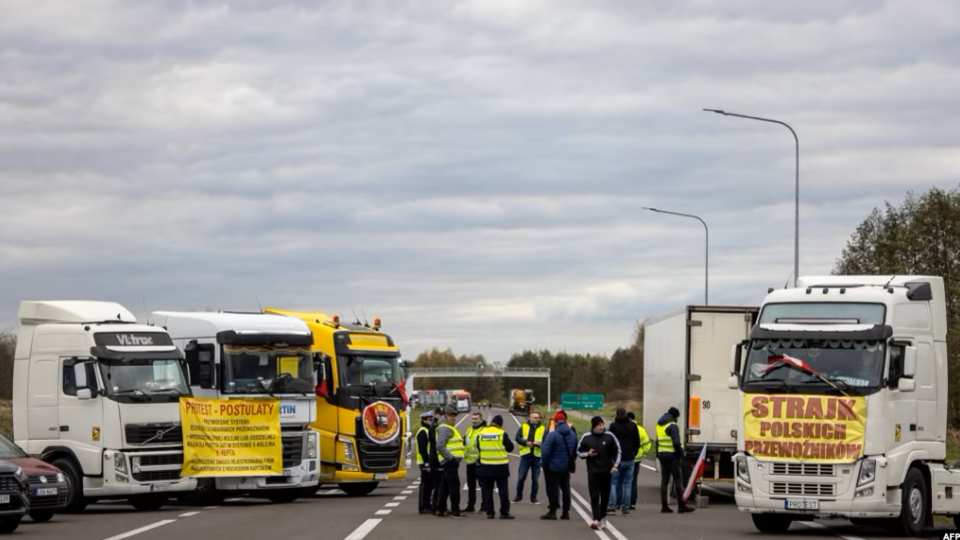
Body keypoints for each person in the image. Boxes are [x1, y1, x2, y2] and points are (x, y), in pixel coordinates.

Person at [578, 416, 620, 531]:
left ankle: (603, 517)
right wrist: (588, 454)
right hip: (592, 471)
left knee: (605, 496)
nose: (601, 427)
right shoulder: (586, 437)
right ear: (594, 426)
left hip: (606, 471)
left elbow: (618, 451)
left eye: (602, 425)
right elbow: (578, 451)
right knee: (594, 496)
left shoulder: (609, 436)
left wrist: (615, 465)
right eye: (599, 425)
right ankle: (596, 519)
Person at [539, 411, 577, 520]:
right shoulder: (572, 434)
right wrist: (571, 461)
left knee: (552, 489)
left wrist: (544, 465)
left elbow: (545, 452)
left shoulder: (553, 435)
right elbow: (574, 451)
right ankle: (566, 512)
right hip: (566, 467)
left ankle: (553, 511)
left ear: (555, 421)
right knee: (566, 489)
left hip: (553, 467)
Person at [477, 414, 515, 519]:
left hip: (485, 465)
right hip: (500, 466)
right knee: (502, 489)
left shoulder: (481, 433)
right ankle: (504, 512)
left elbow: (478, 447)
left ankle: (490, 512)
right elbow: (510, 448)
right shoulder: (502, 433)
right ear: (500, 424)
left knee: (487, 490)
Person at [657, 406, 694, 514]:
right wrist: (679, 455)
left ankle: (664, 506)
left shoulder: (659, 425)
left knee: (664, 481)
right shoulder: (672, 426)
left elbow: (658, 441)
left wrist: (658, 454)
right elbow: (676, 443)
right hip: (672, 456)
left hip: (662, 454)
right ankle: (681, 505)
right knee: (678, 480)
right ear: (675, 416)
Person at [608, 407, 641, 515]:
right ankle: (625, 507)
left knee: (613, 482)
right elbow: (637, 441)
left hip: (616, 458)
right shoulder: (632, 425)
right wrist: (633, 453)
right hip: (630, 457)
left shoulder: (613, 426)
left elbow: (610, 441)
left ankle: (612, 506)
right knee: (628, 483)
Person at [435, 406, 466, 517]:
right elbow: (440, 445)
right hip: (449, 461)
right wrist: (451, 458)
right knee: (454, 486)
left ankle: (441, 508)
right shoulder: (445, 427)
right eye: (451, 415)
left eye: (454, 415)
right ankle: (455, 510)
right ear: (445, 415)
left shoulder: (448, 426)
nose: (453, 417)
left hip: (449, 461)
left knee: (445, 486)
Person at [514, 410, 545, 504]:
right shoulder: (524, 426)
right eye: (535, 418)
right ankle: (518, 496)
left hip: (537, 456)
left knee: (535, 479)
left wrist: (540, 444)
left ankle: (533, 498)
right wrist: (526, 442)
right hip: (526, 455)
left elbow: (547, 440)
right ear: (530, 418)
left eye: (538, 418)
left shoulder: (543, 428)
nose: (537, 419)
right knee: (521, 477)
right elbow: (517, 438)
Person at [464, 411, 487, 513]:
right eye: (473, 419)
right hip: (469, 462)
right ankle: (470, 505)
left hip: (480, 462)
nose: (474, 421)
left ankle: (484, 506)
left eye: (476, 419)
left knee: (483, 485)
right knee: (471, 485)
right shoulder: (469, 430)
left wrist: (481, 459)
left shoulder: (484, 430)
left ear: (481, 419)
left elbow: (485, 447)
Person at [627, 411, 651, 510]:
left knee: (624, 481)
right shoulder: (641, 429)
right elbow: (647, 443)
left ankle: (622, 502)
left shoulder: (625, 428)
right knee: (633, 481)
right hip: (637, 458)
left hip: (627, 458)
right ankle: (632, 503)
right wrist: (643, 454)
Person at [416, 411, 436, 514]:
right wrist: (426, 462)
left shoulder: (428, 430)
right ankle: (424, 506)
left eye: (432, 419)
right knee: (426, 485)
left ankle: (427, 504)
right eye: (429, 420)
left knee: (429, 485)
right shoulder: (423, 431)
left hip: (427, 461)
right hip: (424, 462)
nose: (431, 421)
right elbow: (422, 449)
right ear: (424, 420)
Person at [428, 406, 445, 513]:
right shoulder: (435, 426)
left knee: (439, 484)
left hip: (436, 457)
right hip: (436, 458)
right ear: (436, 413)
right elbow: (437, 443)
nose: (442, 415)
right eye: (440, 413)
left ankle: (436, 505)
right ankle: (436, 506)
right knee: (439, 484)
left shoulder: (436, 424)